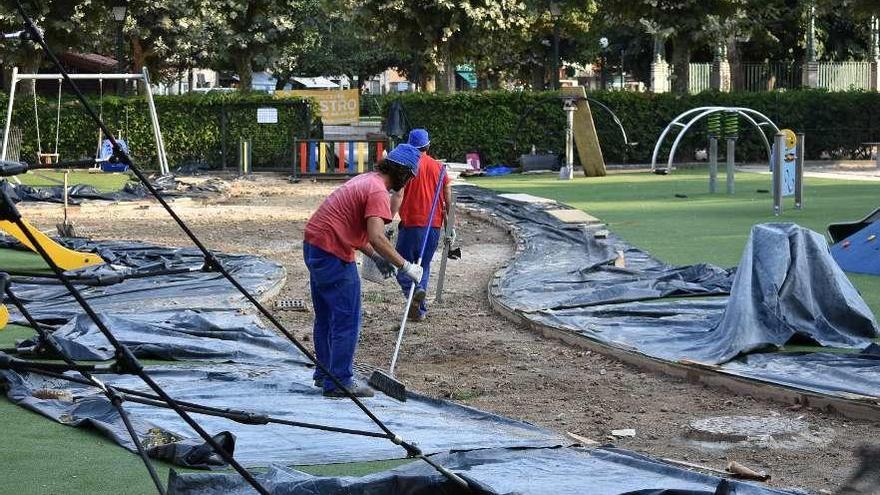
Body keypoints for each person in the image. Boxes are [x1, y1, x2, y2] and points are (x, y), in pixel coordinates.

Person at [303, 144, 424, 398]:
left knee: (326, 315)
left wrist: (376, 258)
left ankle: (325, 373)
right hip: (332, 252)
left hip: (315, 246)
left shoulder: (366, 180)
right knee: (347, 317)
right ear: (404, 174)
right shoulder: (378, 192)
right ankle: (339, 381)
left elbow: (353, 230)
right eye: (410, 178)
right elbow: (378, 237)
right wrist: (406, 266)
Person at [391, 128, 453, 322]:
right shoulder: (439, 167)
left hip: (411, 224)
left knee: (401, 266)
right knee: (422, 267)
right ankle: (420, 309)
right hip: (433, 226)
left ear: (409, 145)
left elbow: (398, 194)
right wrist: (450, 227)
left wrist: (387, 218)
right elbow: (448, 198)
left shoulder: (407, 164)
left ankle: (415, 292)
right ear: (428, 145)